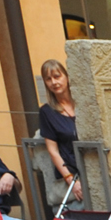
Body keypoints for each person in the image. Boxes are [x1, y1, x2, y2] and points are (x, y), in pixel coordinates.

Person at [38, 59, 82, 203]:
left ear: (67, 77)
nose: (54, 82)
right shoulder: (47, 112)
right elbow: (53, 151)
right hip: (73, 172)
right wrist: (70, 180)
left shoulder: (83, 103)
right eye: (48, 79)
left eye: (57, 76)